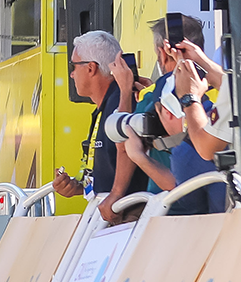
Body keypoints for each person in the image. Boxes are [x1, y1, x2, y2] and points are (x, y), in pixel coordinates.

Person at [123, 39, 231, 216]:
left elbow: (206, 149)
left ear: (168, 112)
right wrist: (202, 63)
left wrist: (188, 98)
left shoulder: (185, 151)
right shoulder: (225, 104)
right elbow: (233, 87)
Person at [53, 30, 134, 221]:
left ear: (91, 68)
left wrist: (116, 194)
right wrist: (78, 187)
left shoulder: (121, 102)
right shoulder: (104, 107)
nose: (72, 74)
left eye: (74, 66)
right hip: (113, 216)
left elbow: (127, 149)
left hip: (127, 218)